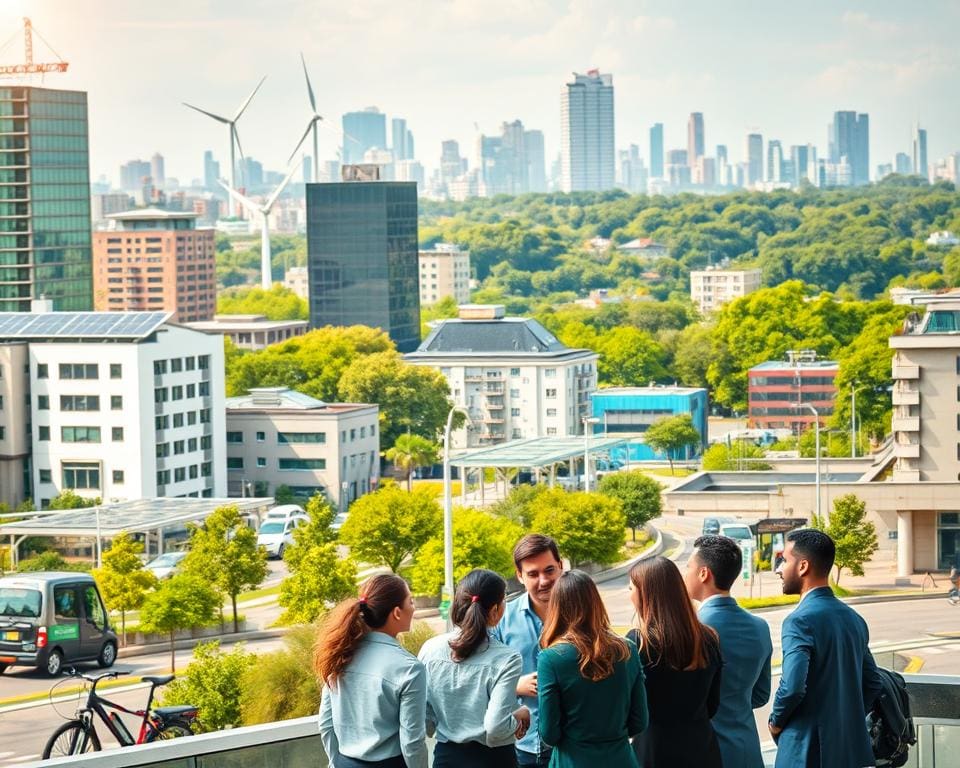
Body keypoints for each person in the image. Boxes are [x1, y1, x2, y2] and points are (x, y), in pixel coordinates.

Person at [769, 529, 884, 768]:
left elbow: (792, 687)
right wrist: (844, 720)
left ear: (802, 567)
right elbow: (872, 682)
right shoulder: (854, 618)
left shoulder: (798, 621)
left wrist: (775, 722)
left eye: (784, 561)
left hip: (805, 752)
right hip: (851, 752)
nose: (779, 569)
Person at [418, 569, 531, 768]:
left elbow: (425, 720)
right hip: (494, 760)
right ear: (495, 610)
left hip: (446, 758)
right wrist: (518, 717)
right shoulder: (507, 658)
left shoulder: (430, 649)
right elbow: (495, 728)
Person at [537, 570, 648, 767]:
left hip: (572, 761)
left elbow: (549, 734)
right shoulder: (627, 649)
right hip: (621, 759)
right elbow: (639, 721)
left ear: (557, 607)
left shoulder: (551, 658)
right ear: (595, 602)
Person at [316, 573, 427, 768]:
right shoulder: (409, 668)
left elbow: (326, 723)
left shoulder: (340, 654)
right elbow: (412, 741)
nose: (413, 607)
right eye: (410, 601)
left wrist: (336, 762)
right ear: (397, 613)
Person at [685, 535, 773, 768]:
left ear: (704, 574)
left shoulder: (694, 629)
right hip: (747, 750)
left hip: (706, 750)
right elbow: (761, 695)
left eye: (688, 567)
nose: (685, 574)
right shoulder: (760, 627)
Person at [628, 555, 723, 768]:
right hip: (702, 749)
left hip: (653, 750)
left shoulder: (638, 642)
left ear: (646, 593)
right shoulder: (709, 638)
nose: (630, 595)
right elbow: (712, 705)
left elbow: (628, 712)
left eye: (631, 588)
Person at [494, 534, 563, 767]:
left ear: (561, 567)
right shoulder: (501, 620)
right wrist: (515, 686)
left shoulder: (582, 615)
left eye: (549, 570)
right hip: (522, 745)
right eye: (533, 574)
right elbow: (480, 678)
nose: (543, 580)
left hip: (573, 745)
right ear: (519, 576)